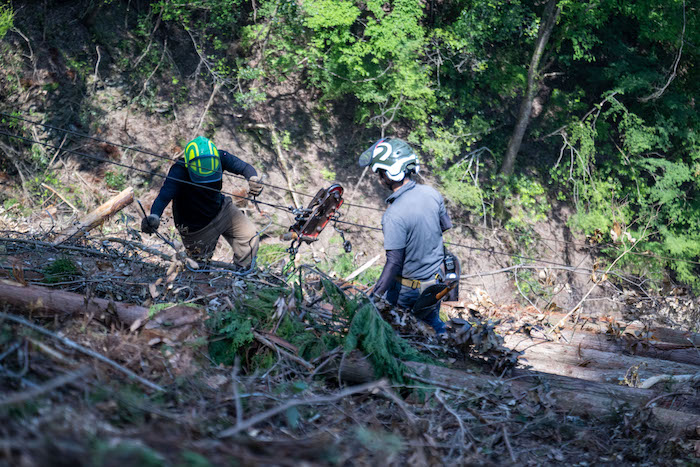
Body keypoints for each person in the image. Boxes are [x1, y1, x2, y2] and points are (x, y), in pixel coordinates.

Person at [359, 138, 452, 334]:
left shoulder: (394, 215)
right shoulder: (432, 193)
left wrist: (373, 297)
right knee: (431, 323)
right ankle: (448, 345)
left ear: (391, 173)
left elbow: (394, 262)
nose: (379, 178)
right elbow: (445, 225)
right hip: (436, 282)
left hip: (408, 291)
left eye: (380, 173)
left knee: (398, 332)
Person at [141, 136, 263, 269]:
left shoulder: (220, 156)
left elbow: (244, 167)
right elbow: (164, 196)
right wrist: (154, 216)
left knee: (249, 236)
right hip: (196, 228)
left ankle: (242, 276)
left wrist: (253, 178)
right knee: (198, 268)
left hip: (222, 210)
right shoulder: (179, 170)